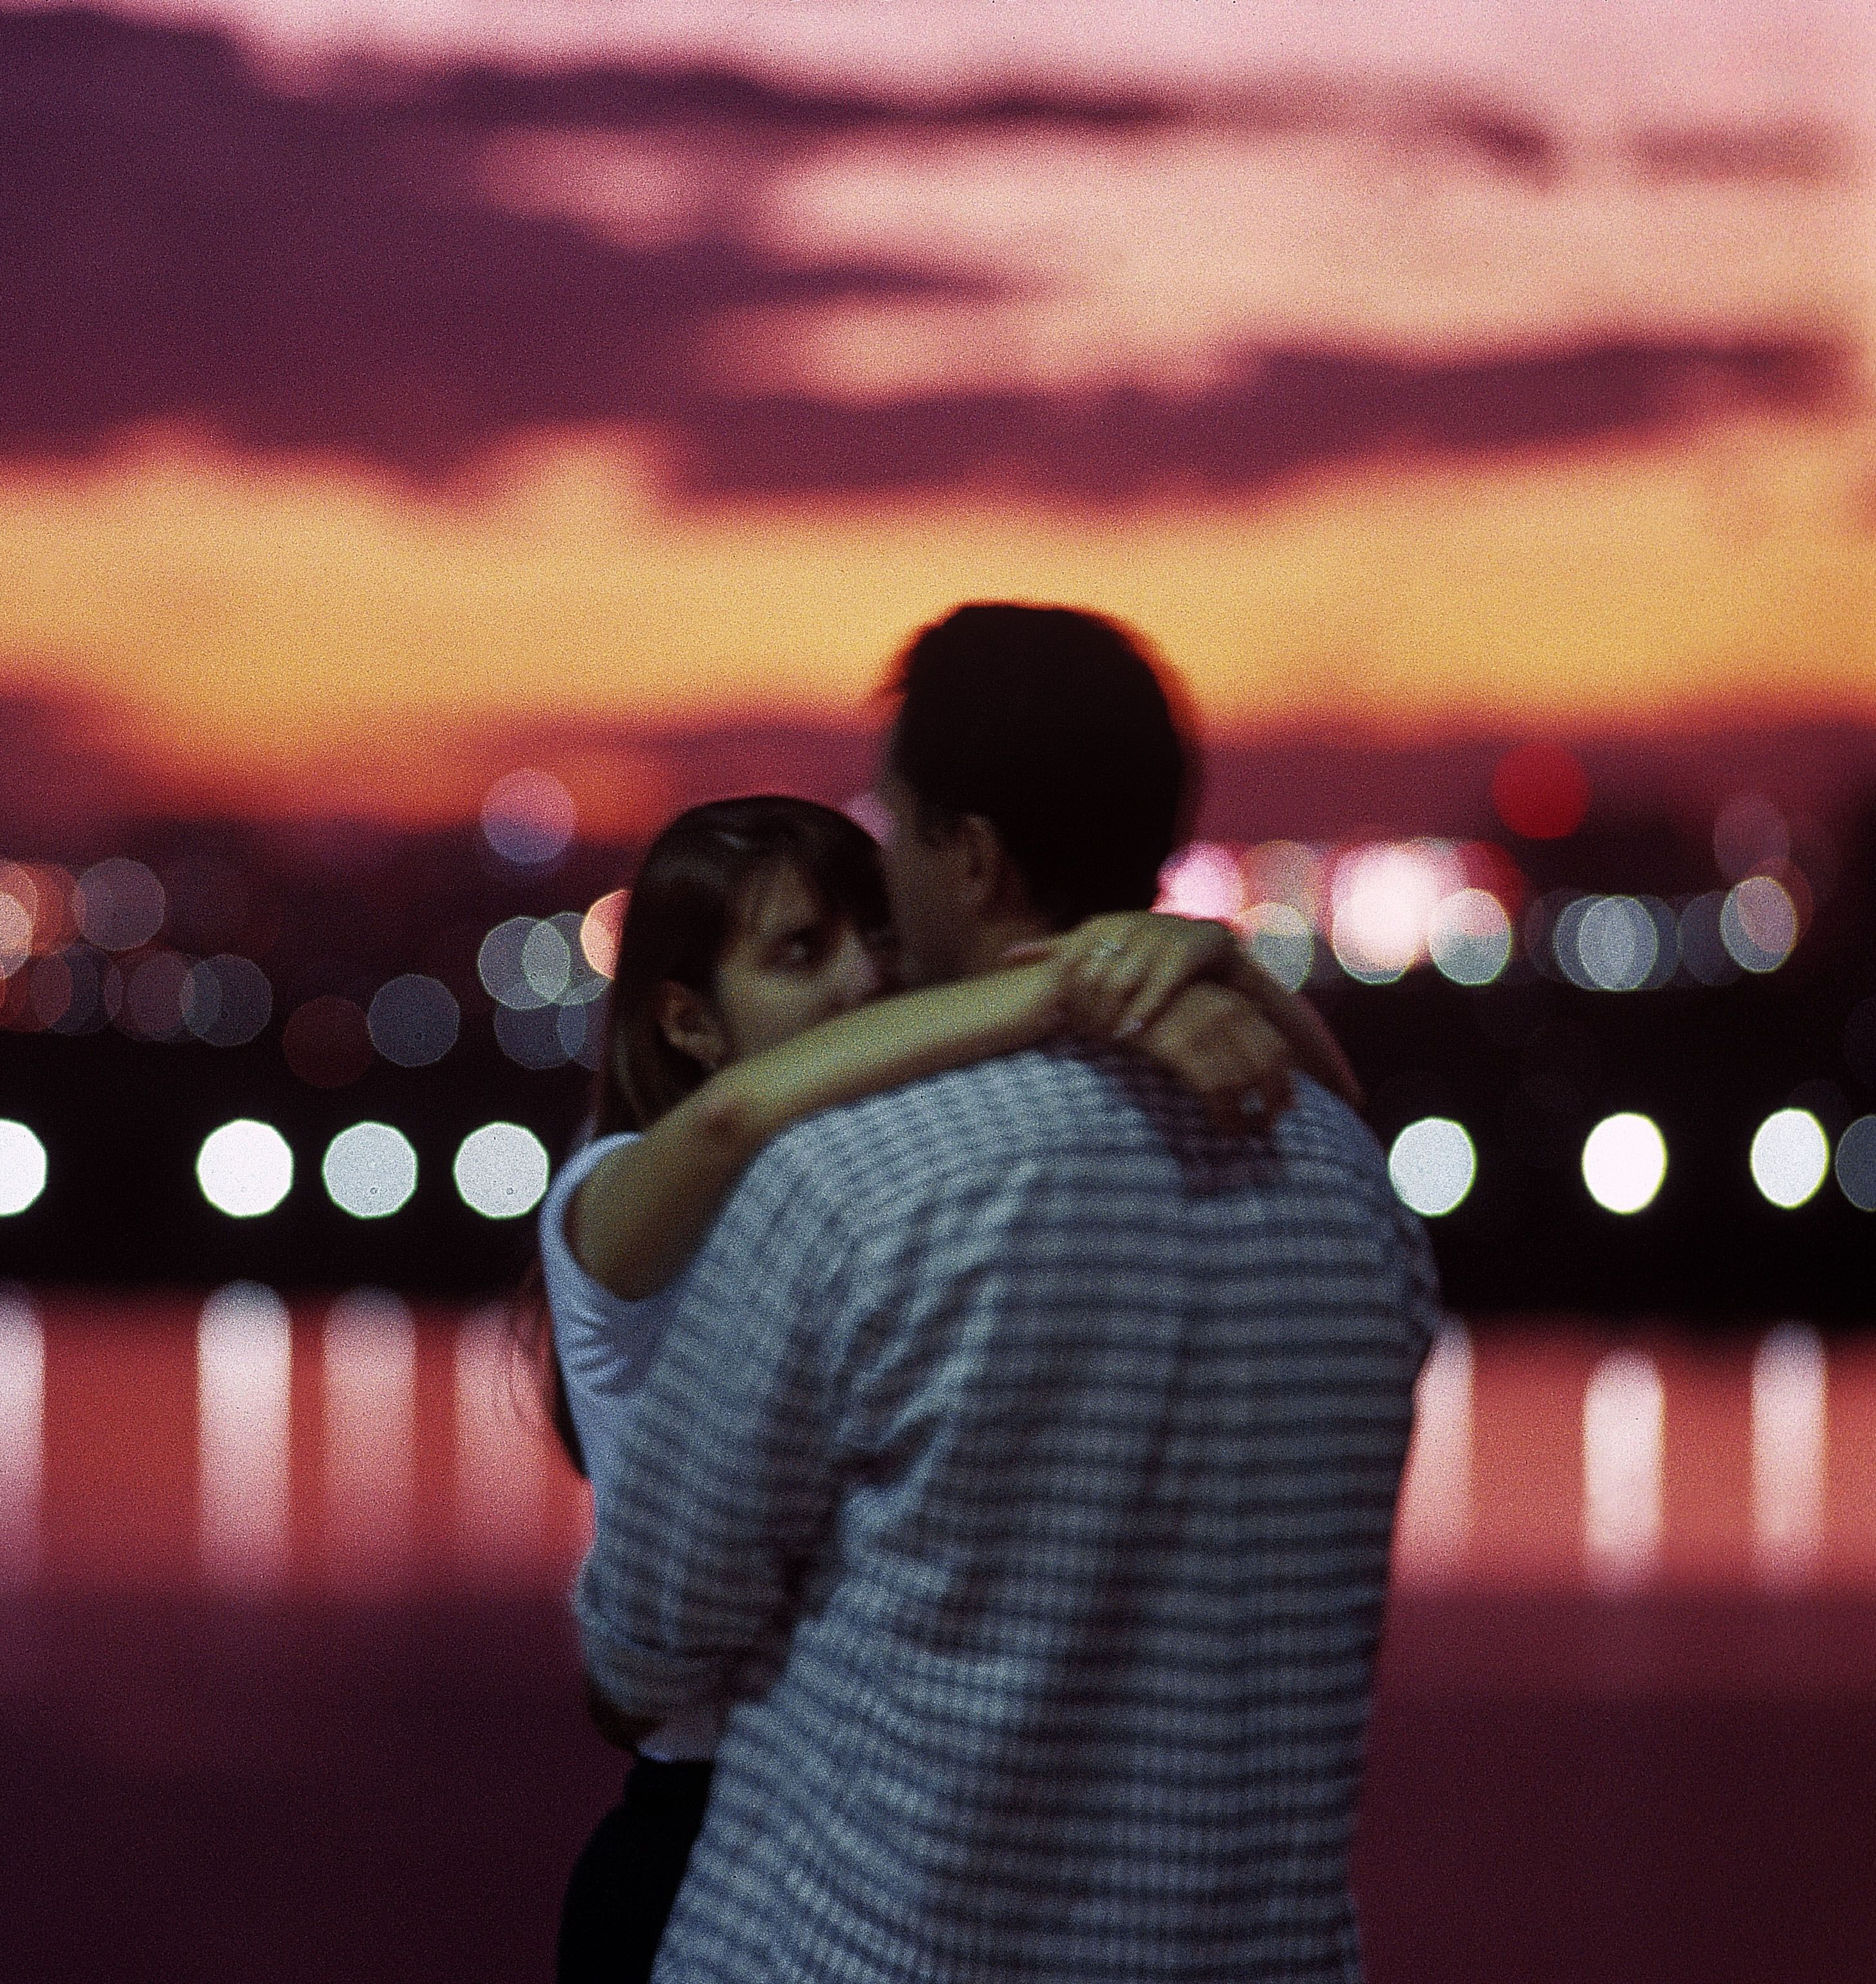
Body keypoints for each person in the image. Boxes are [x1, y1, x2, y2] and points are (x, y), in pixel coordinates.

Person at [571, 604, 1438, 1983]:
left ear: (965, 857)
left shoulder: (848, 1189)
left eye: (896, 825)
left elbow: (644, 1646)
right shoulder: (1352, 1192)